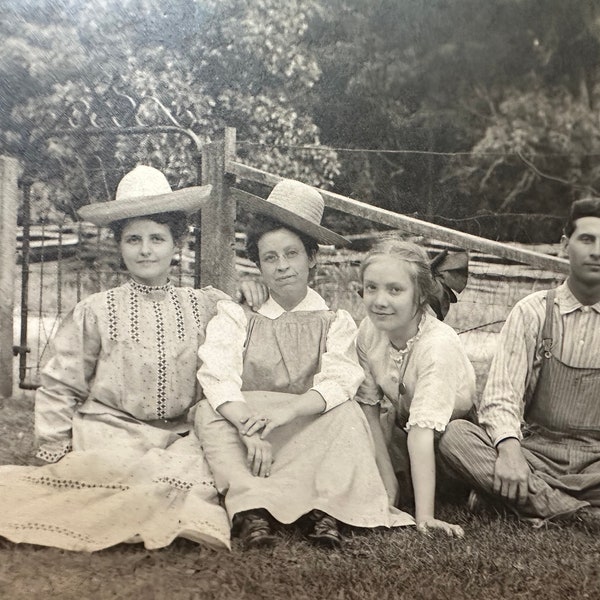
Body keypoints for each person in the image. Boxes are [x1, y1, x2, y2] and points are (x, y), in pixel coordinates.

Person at [0, 165, 233, 551]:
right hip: (111, 430)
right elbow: (62, 382)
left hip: (180, 435)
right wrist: (55, 446)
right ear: (119, 245)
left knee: (189, 476)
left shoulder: (204, 307)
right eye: (133, 239)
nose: (145, 250)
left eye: (157, 238)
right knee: (111, 479)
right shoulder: (97, 310)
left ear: (177, 244)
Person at [197, 179, 414, 549]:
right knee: (207, 412)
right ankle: (252, 508)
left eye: (292, 254)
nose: (282, 267)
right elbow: (218, 375)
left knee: (345, 414)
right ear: (258, 265)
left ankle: (325, 508)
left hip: (303, 422)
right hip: (250, 423)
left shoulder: (335, 321)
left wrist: (287, 413)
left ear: (312, 257)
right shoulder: (237, 315)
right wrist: (248, 427)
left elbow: (338, 380)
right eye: (270, 257)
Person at [439, 197, 600, 527]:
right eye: (587, 239)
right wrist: (510, 453)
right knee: (455, 436)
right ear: (564, 245)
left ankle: (512, 499)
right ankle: (580, 514)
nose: (597, 251)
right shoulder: (534, 312)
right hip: (536, 454)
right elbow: (500, 398)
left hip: (595, 463)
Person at [355, 240, 475, 538]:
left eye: (395, 290)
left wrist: (425, 518)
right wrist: (387, 481)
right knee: (352, 424)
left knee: (452, 442)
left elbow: (423, 433)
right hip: (402, 432)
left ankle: (474, 489)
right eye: (372, 288)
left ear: (420, 294)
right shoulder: (369, 332)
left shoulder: (438, 345)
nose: (380, 301)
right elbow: (369, 410)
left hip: (448, 440)